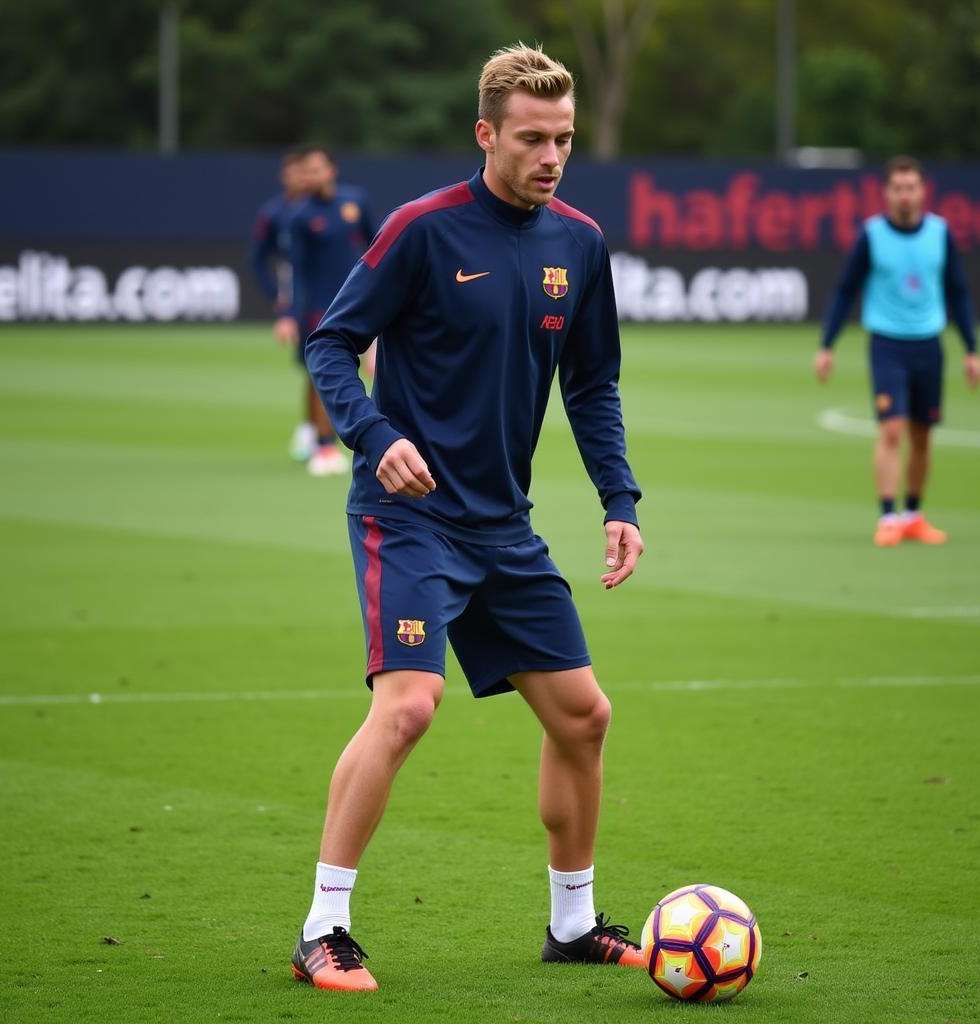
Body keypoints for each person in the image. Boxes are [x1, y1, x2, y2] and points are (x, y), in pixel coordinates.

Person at [290, 43, 645, 992]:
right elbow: (331, 345)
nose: (551, 156)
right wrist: (373, 434)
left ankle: (572, 925)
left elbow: (594, 385)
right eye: (533, 138)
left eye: (564, 139)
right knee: (408, 704)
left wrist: (620, 501)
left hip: (504, 528)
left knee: (584, 716)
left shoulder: (581, 241)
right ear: (486, 133)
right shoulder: (421, 229)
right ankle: (323, 928)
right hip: (408, 517)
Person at [816, 155, 980, 547]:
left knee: (922, 435)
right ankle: (888, 515)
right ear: (886, 193)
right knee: (892, 428)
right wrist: (827, 344)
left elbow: (958, 292)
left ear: (923, 191)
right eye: (898, 188)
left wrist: (972, 349)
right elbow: (845, 290)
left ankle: (913, 514)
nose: (905, 195)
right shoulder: (871, 235)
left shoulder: (939, 234)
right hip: (888, 343)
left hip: (929, 343)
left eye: (911, 187)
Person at [277, 146, 376, 476]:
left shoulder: (355, 202)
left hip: (357, 300)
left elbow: (376, 244)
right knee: (323, 374)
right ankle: (323, 443)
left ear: (332, 170)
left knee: (371, 368)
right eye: (307, 170)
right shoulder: (300, 215)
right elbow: (297, 269)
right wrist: (291, 313)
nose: (312, 176)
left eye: (317, 169)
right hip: (318, 307)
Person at [249, 148, 309, 457]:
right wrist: (279, 299)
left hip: (330, 292)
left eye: (305, 170)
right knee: (313, 363)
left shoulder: (331, 207)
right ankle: (314, 430)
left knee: (325, 362)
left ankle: (315, 430)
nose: (300, 177)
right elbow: (258, 258)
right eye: (294, 171)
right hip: (299, 296)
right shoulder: (274, 213)